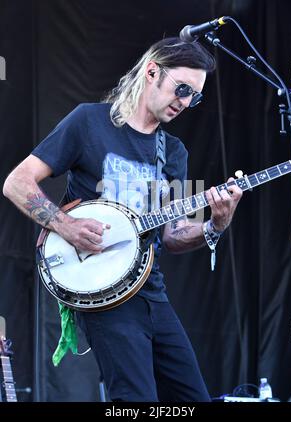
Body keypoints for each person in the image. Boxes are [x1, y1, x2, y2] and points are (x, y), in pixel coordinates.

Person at [3, 37, 242, 402]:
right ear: (152, 72)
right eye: (182, 89)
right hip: (103, 295)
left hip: (151, 292)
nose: (186, 102)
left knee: (194, 398)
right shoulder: (88, 121)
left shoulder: (175, 153)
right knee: (135, 401)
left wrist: (215, 225)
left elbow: (175, 234)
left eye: (195, 96)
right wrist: (65, 225)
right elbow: (17, 182)